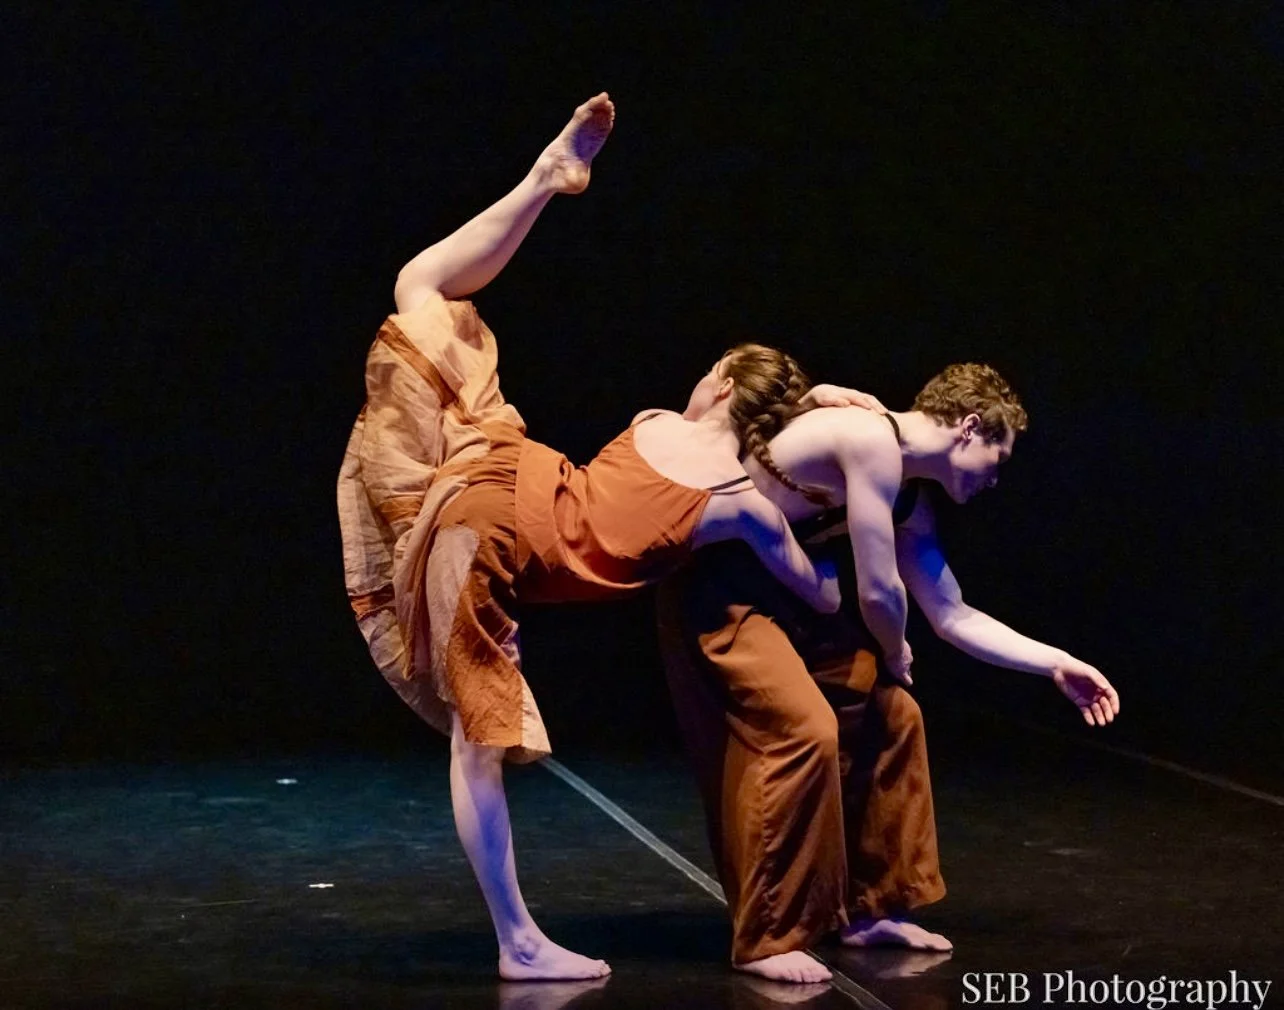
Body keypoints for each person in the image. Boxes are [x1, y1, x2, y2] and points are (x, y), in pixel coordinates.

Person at [336, 93, 845, 982]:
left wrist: (817, 399)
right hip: (487, 529)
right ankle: (517, 942)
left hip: (495, 460)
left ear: (721, 385)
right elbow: (819, 591)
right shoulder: (742, 505)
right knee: (478, 739)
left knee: (420, 293)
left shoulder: (653, 421)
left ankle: (541, 184)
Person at [657, 364, 1121, 984]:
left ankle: (869, 909)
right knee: (804, 727)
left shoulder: (909, 495)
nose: (996, 477)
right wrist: (896, 649)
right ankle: (766, 937)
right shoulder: (869, 438)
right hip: (717, 588)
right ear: (969, 427)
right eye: (997, 456)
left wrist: (1057, 662)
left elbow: (952, 612)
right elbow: (879, 592)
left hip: (786, 594)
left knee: (891, 714)